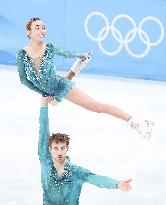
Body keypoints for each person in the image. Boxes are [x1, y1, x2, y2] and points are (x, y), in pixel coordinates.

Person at [16, 17, 153, 139]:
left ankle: (135, 121)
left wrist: (82, 55)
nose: (42, 30)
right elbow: (24, 80)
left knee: (97, 107)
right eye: (37, 27)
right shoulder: (22, 54)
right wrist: (44, 94)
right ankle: (77, 68)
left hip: (60, 86)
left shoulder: (49, 48)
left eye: (44, 28)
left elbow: (67, 53)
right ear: (29, 32)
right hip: (49, 91)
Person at [38, 96, 132, 205]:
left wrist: (117, 184)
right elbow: (43, 132)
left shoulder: (76, 172)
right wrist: (43, 105)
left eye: (62, 148)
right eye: (56, 148)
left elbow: (96, 179)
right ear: (50, 149)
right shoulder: (45, 162)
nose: (59, 152)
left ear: (67, 149)